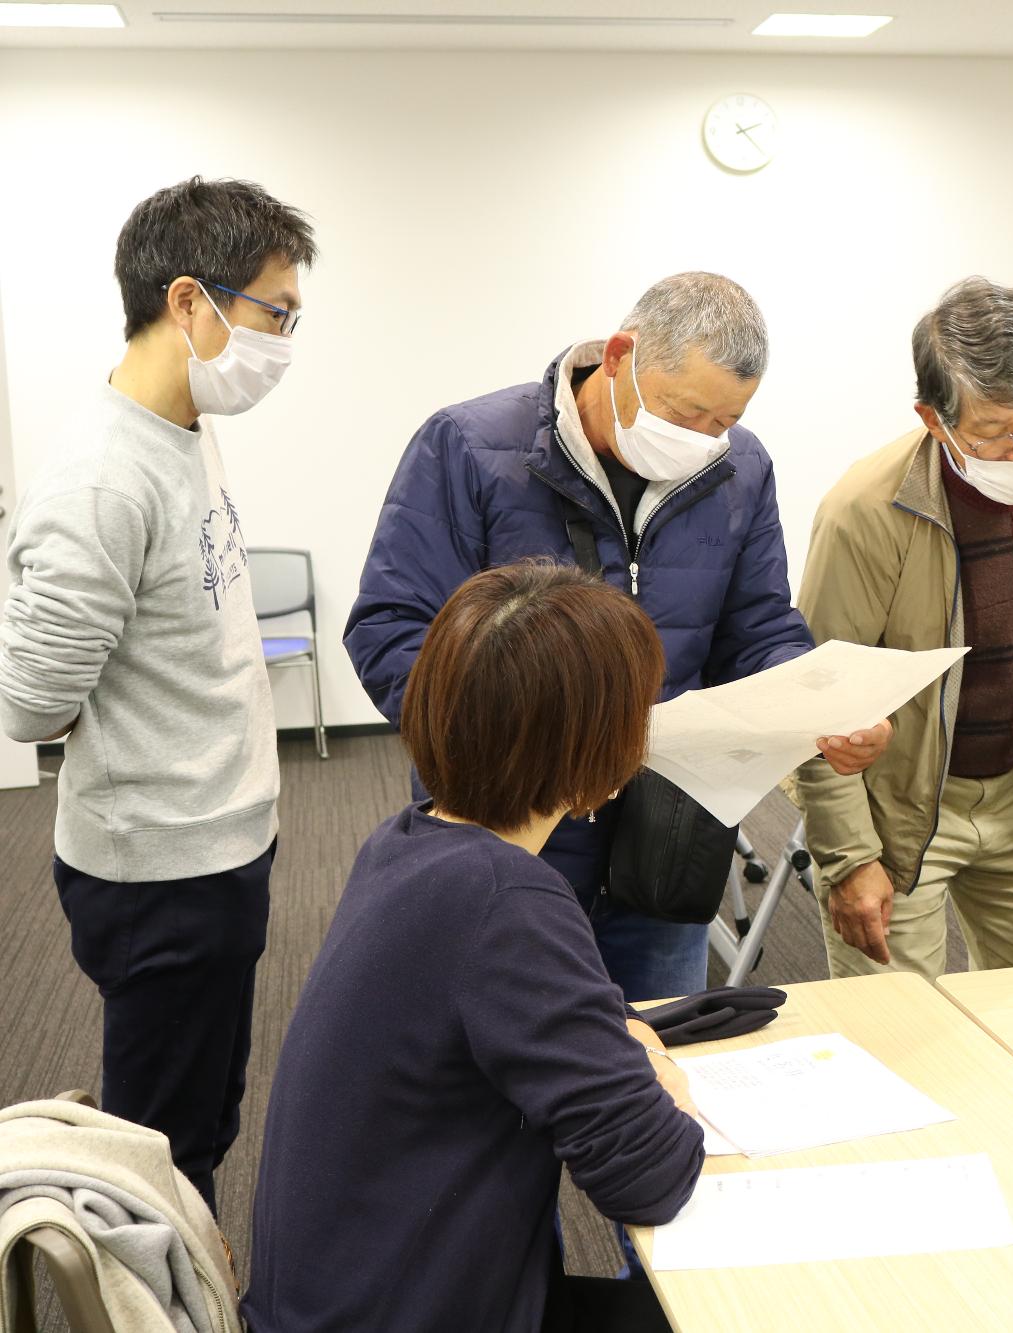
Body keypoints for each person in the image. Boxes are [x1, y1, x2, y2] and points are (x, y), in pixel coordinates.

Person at [344, 272, 890, 1006]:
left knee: (659, 1065)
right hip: (510, 833)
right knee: (505, 1074)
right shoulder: (470, 449)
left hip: (665, 844)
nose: (703, 440)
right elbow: (391, 631)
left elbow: (757, 627)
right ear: (620, 355)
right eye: (686, 411)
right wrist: (526, 747)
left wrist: (816, 706)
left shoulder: (740, 467)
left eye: (724, 420)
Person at [244, 562, 704, 1333]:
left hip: (340, 1303)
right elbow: (651, 1174)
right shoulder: (505, 902)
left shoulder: (407, 842)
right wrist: (662, 1077)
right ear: (597, 750)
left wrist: (620, 1046)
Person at [0, 177, 315, 1212]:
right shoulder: (101, 479)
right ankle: (152, 1292)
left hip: (221, 838)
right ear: (190, 301)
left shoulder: (182, 428)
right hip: (160, 869)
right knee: (157, 1146)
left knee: (204, 1116)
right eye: (275, 312)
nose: (283, 340)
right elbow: (32, 702)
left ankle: (193, 1263)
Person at [795, 277, 1013, 980]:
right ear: (934, 419)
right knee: (901, 1040)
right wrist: (849, 858)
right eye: (995, 431)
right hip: (901, 809)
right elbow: (818, 694)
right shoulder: (865, 512)